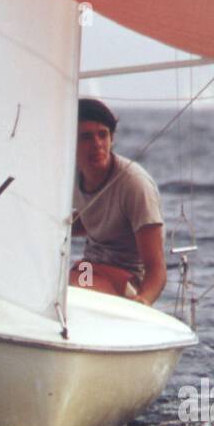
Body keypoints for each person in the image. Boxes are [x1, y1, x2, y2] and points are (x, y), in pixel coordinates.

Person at [70, 98, 166, 305]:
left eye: (102, 135)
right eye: (86, 137)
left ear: (112, 138)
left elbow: (157, 269)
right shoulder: (71, 176)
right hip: (89, 267)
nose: (96, 144)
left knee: (78, 290)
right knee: (64, 285)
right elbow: (91, 219)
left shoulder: (134, 184)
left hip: (128, 278)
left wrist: (144, 303)